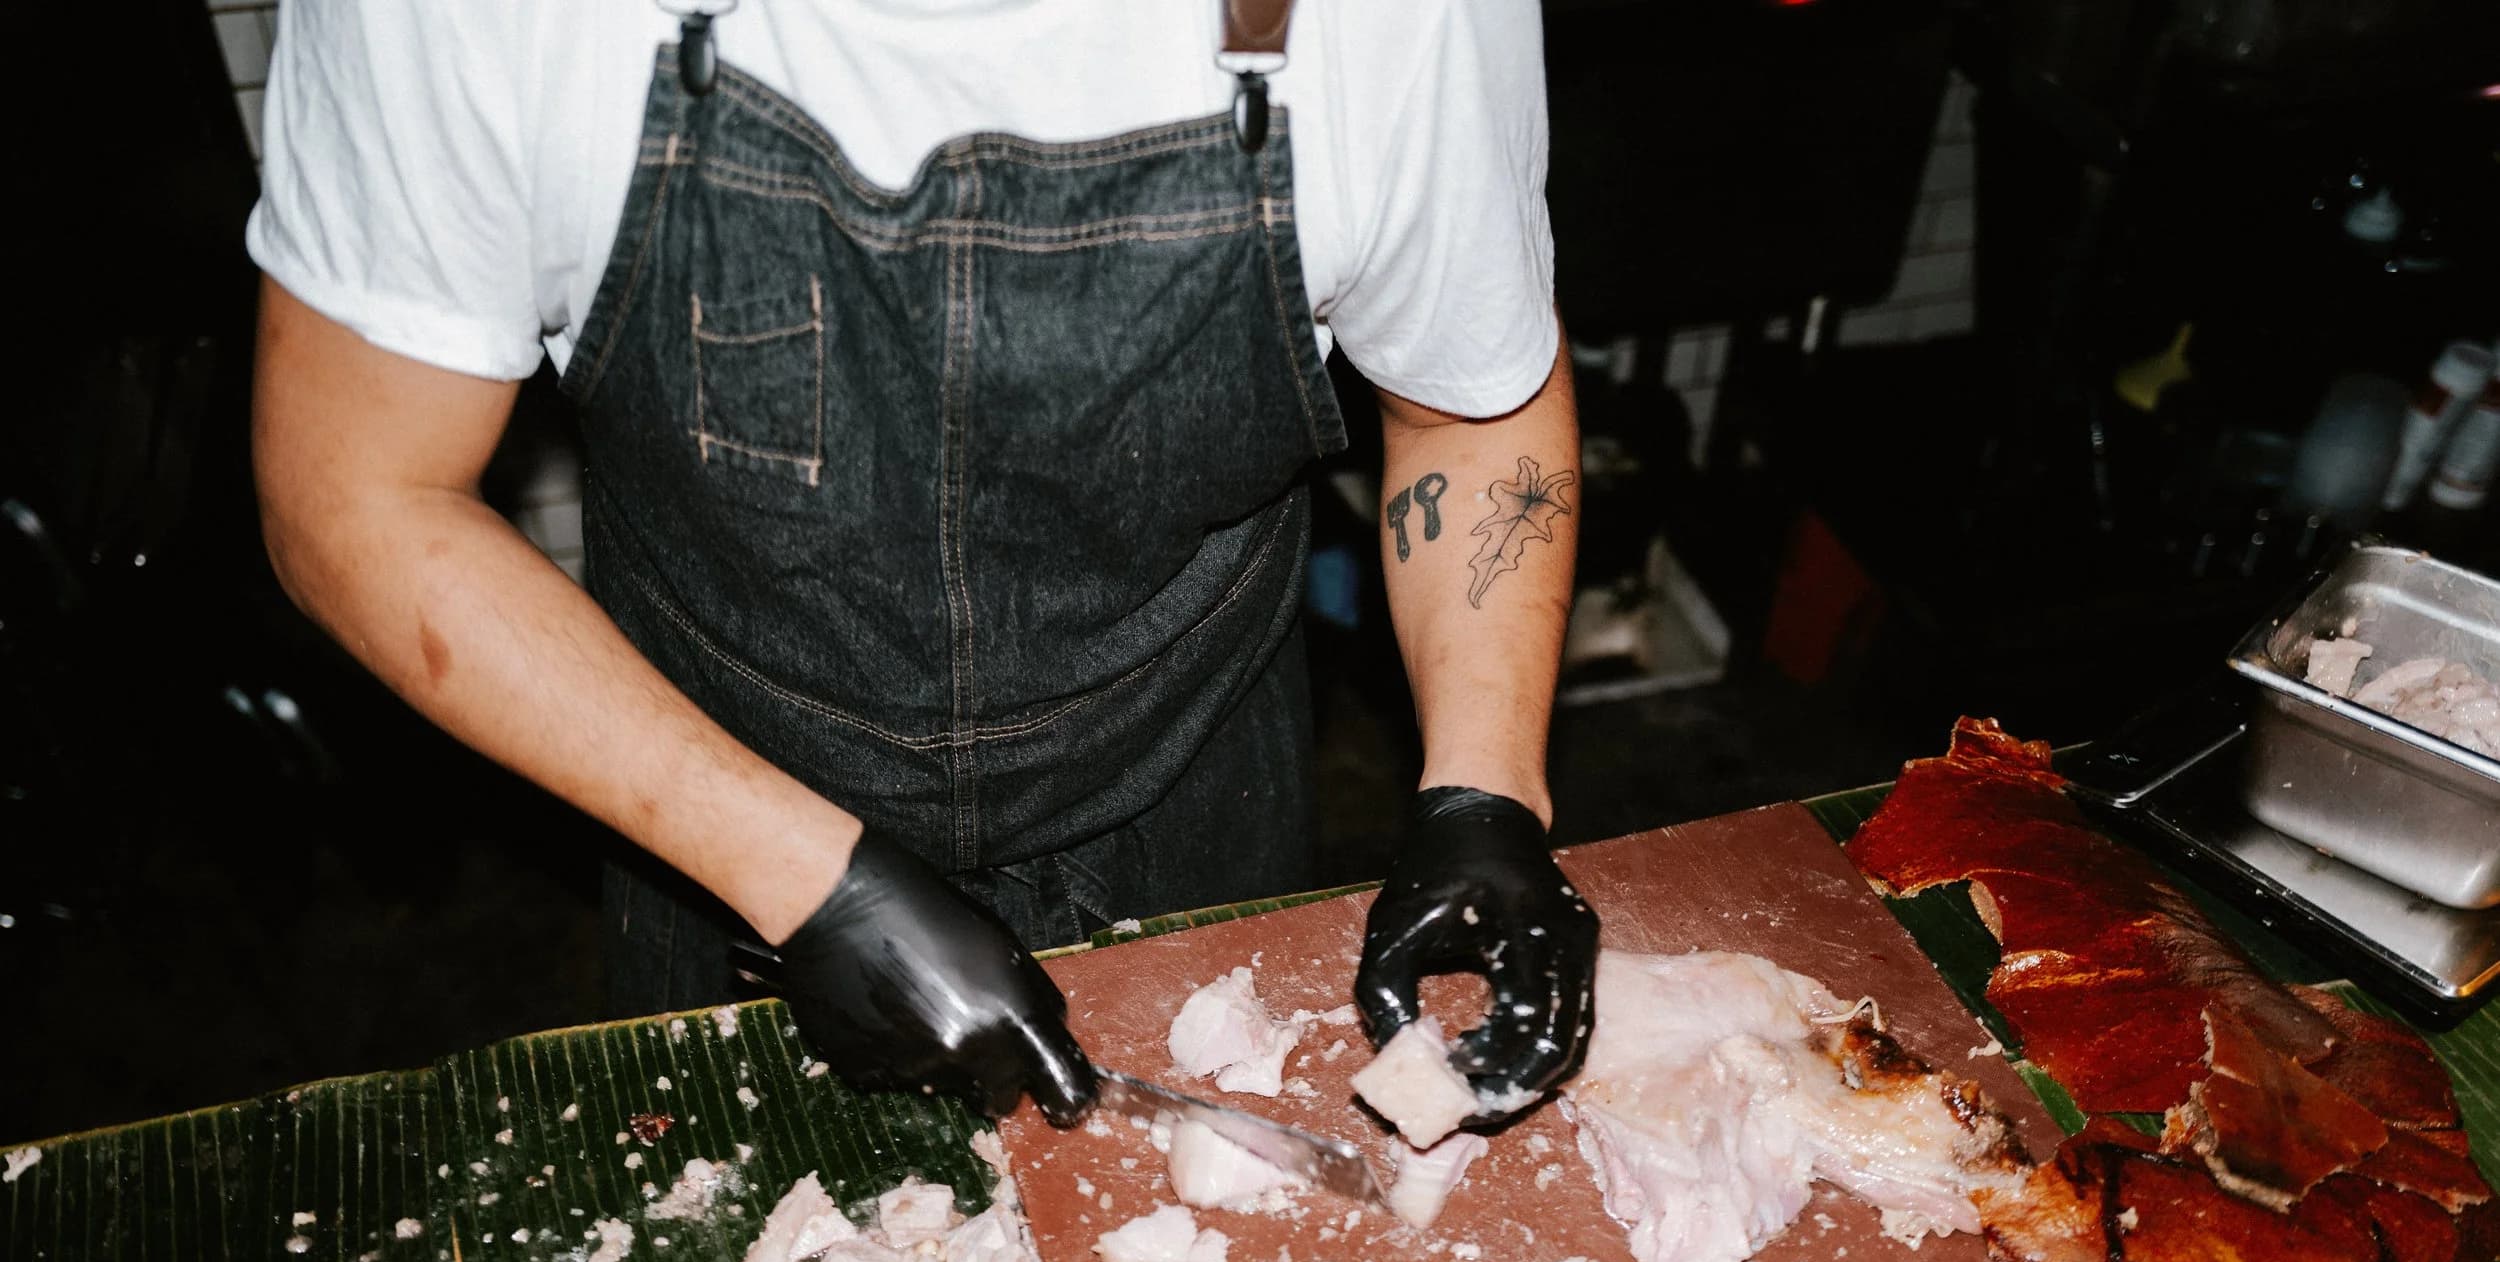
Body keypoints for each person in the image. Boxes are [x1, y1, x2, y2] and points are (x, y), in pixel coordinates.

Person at [247, 0, 1599, 1130]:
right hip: (714, 807)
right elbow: (356, 496)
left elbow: (1472, 416)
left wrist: (1487, 794)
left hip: (1194, 779)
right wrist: (798, 876)